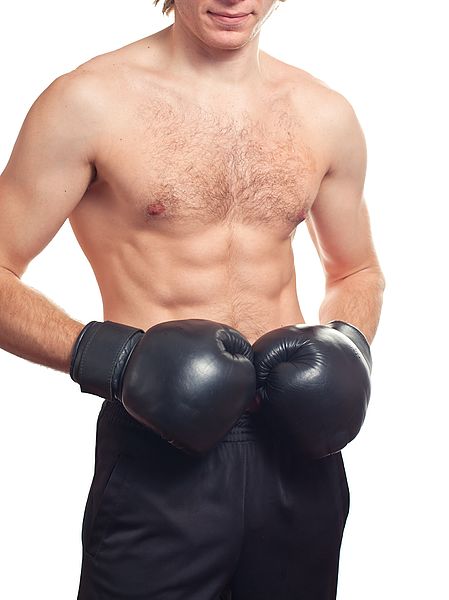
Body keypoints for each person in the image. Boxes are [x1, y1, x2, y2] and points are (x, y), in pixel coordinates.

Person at [0, 0, 384, 598]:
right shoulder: (88, 103)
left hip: (299, 445)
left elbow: (356, 269)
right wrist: (116, 360)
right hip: (159, 449)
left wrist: (348, 344)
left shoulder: (323, 113)